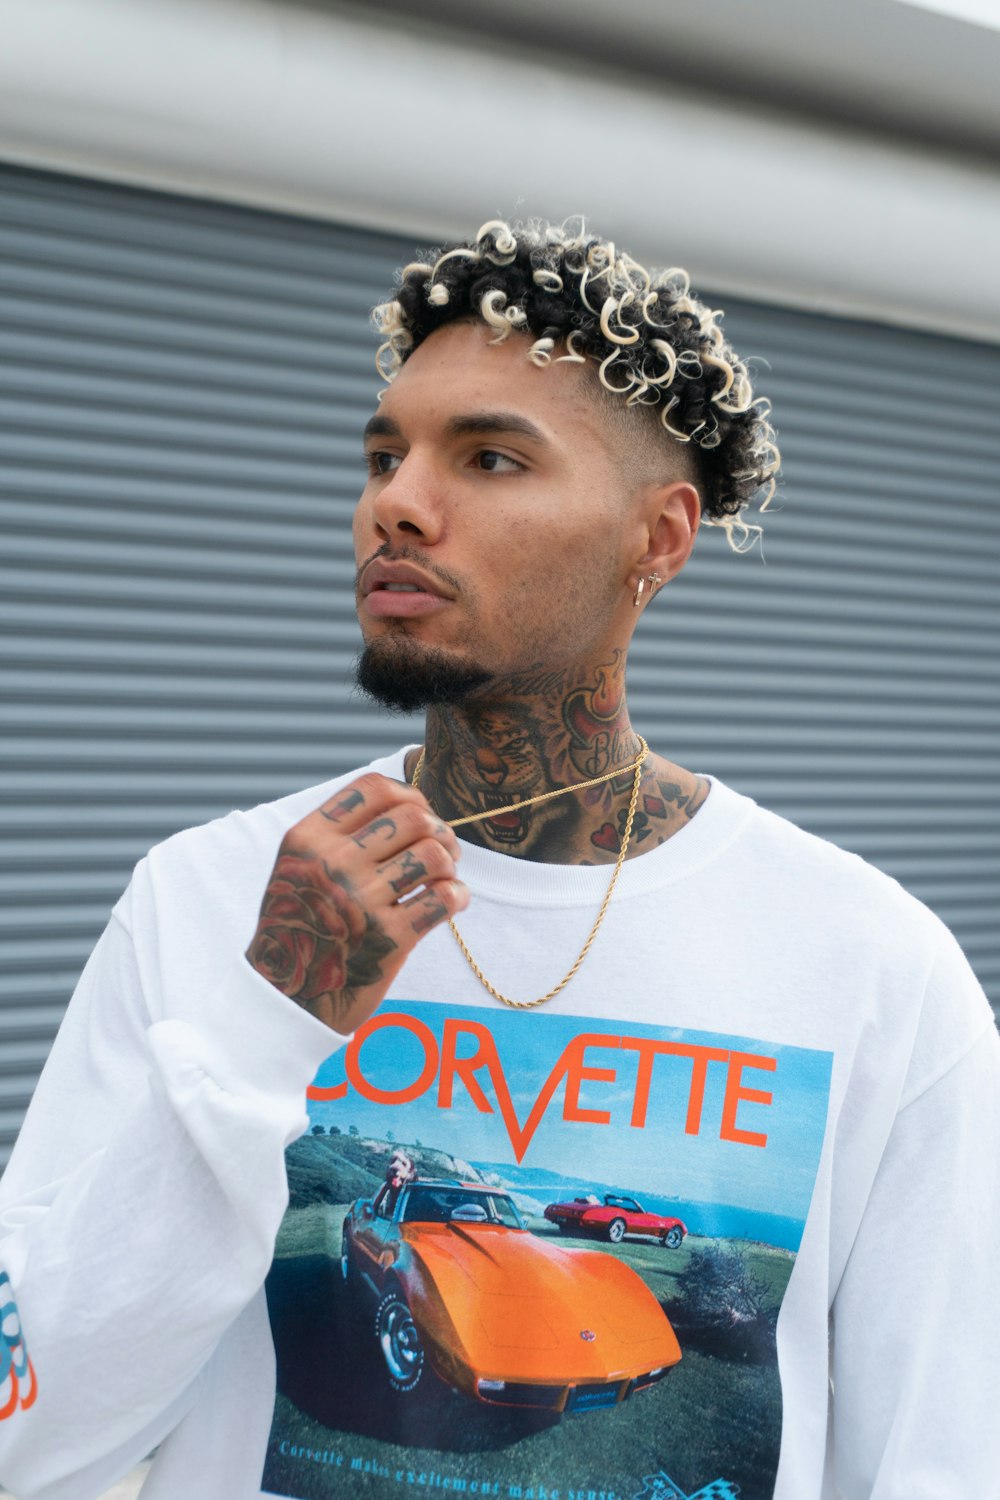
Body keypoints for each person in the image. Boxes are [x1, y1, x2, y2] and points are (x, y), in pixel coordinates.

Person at [0, 218, 997, 1500]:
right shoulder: (207, 894)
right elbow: (28, 1428)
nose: (394, 503)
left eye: (487, 457)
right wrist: (264, 1022)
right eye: (383, 453)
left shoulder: (872, 960)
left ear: (658, 537)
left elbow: (941, 1454)